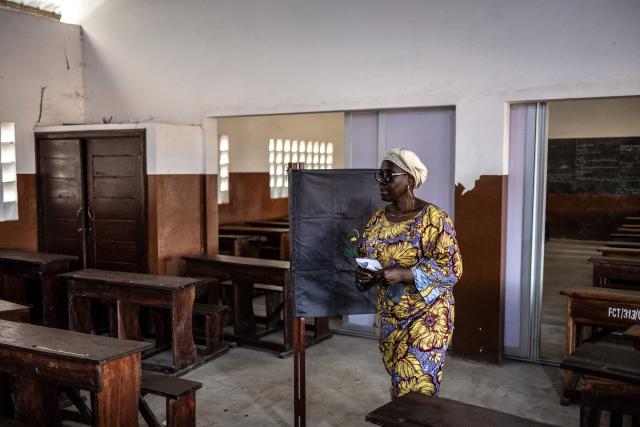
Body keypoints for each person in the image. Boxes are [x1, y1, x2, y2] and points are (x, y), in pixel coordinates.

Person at [355, 148, 462, 399]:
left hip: (428, 317)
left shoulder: (434, 219)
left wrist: (404, 274)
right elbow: (366, 258)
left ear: (410, 180)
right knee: (399, 382)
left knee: (414, 388)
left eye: (388, 175)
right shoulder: (376, 221)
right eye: (379, 175)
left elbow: (452, 268)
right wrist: (365, 276)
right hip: (390, 317)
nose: (381, 182)